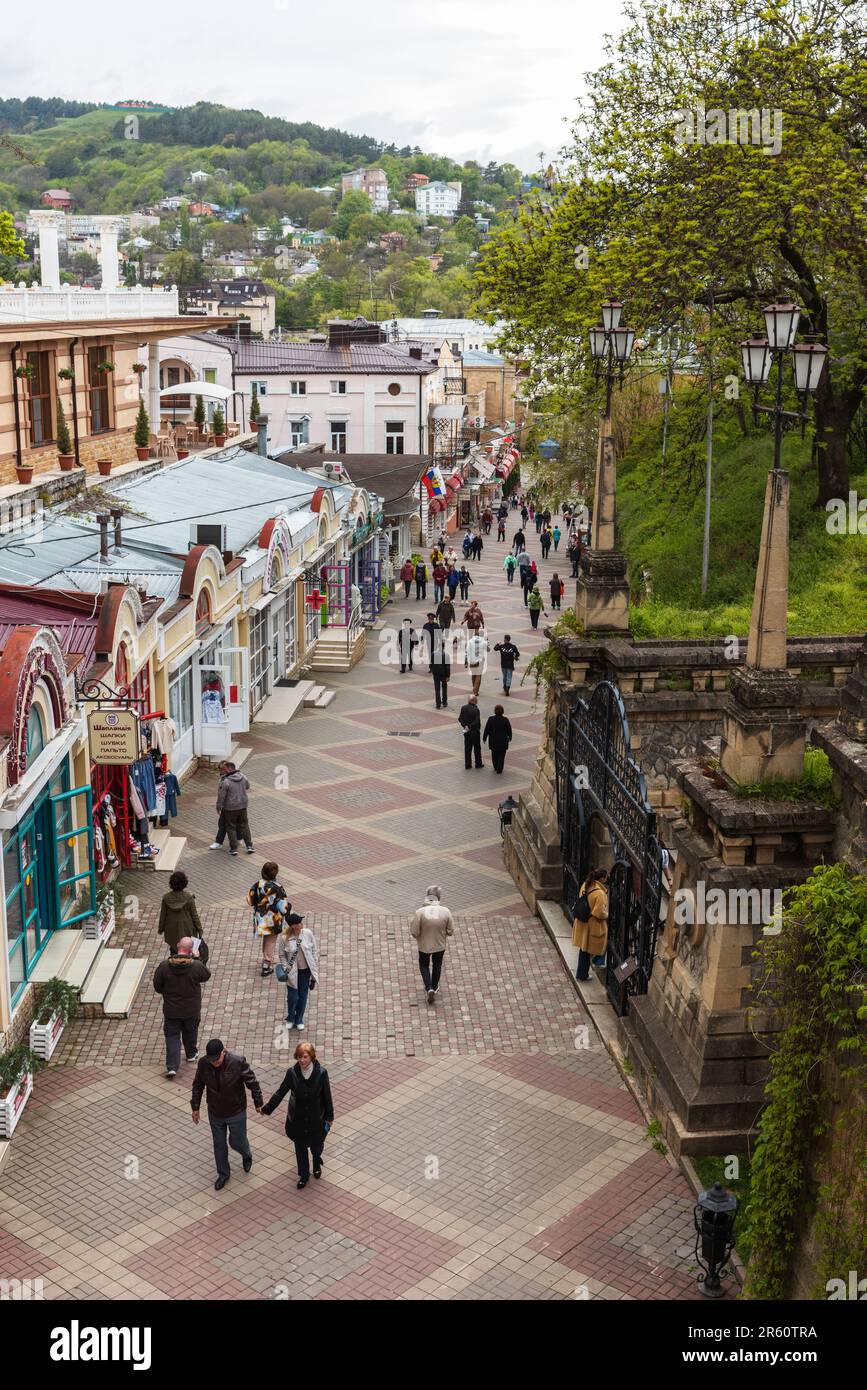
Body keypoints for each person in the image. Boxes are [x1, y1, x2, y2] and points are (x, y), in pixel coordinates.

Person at [191, 1039, 263, 1191]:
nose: (215, 1063)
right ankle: (223, 1174)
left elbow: (252, 1082)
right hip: (215, 1111)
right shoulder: (204, 1064)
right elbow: (198, 1085)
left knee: (237, 1141)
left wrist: (258, 1102)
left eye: (217, 1060)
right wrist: (195, 1107)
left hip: (236, 1110)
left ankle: (246, 1154)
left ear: (223, 1052)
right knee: (219, 1144)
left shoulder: (237, 1062)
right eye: (212, 1060)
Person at [261, 1040, 334, 1189]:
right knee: (300, 1149)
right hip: (298, 1120)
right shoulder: (292, 1073)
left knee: (316, 1146)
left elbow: (327, 1096)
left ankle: (316, 1162)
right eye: (299, 1057)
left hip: (316, 1119)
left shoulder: (321, 1073)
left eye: (305, 1057)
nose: (302, 1060)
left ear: (311, 1057)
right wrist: (267, 1109)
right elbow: (280, 1092)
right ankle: (304, 1175)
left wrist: (330, 1117)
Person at [153, 936, 211, 1078]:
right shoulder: (196, 966)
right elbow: (206, 975)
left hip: (171, 1010)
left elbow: (157, 986)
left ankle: (172, 1066)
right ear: (191, 950)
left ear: (178, 945)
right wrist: (198, 959)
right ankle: (191, 1053)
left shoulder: (164, 966)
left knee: (172, 1036)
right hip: (191, 1009)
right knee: (190, 1031)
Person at [409, 884, 454, 1004]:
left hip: (424, 945)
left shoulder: (420, 912)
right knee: (437, 964)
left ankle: (428, 987)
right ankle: (435, 986)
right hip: (439, 945)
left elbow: (414, 932)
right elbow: (450, 931)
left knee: (424, 964)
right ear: (439, 897)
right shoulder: (446, 911)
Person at [247, 860, 290, 977]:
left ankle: (266, 959)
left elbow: (250, 901)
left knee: (266, 939)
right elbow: (283, 906)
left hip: (260, 918)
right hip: (273, 920)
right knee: (271, 941)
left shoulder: (257, 885)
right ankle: (266, 964)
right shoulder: (277, 887)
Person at [278, 912, 319, 1030]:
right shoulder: (284, 938)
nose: (302, 924)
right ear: (293, 926)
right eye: (299, 923)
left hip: (305, 971)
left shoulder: (308, 933)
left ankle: (299, 1018)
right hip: (292, 973)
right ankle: (291, 1017)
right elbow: (281, 955)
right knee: (292, 997)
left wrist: (313, 975)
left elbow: (314, 951)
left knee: (302, 997)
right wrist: (286, 968)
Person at [572, 869, 610, 981]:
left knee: (584, 950)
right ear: (602, 879)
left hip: (581, 923)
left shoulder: (586, 885)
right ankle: (592, 967)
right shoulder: (600, 893)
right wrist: (607, 915)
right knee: (599, 946)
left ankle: (582, 973)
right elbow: (598, 913)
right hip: (592, 925)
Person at [158, 870, 202, 954]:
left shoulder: (166, 898)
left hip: (171, 927)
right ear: (184, 883)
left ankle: (174, 958)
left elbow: (163, 914)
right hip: (187, 926)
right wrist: (199, 929)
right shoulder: (189, 897)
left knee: (174, 947)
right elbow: (194, 915)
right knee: (187, 946)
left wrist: (161, 928)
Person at [216, 762, 253, 856]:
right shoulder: (243, 777)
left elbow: (221, 796)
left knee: (231, 827)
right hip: (243, 806)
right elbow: (248, 786)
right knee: (244, 826)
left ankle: (233, 849)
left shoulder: (226, 781)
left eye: (223, 769)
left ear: (229, 769)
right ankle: (249, 846)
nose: (222, 771)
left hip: (230, 808)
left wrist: (218, 806)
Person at [483, 704, 513, 774]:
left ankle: (495, 766)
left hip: (493, 741)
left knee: (494, 754)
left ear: (495, 711)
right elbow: (509, 729)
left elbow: (487, 729)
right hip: (503, 741)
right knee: (502, 755)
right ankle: (499, 769)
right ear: (502, 711)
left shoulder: (491, 719)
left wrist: (484, 737)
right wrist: (510, 737)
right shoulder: (505, 720)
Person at [209, 760, 231, 850]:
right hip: (226, 806)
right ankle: (219, 842)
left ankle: (238, 838)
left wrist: (219, 806)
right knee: (222, 824)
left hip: (232, 806)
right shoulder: (222, 778)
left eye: (221, 769)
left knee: (231, 824)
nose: (219, 771)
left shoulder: (231, 778)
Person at [458, 692, 483, 768]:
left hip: (466, 732)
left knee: (467, 748)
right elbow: (477, 721)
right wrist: (470, 726)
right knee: (477, 748)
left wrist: (465, 726)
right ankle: (478, 763)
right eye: (476, 700)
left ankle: (468, 764)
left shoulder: (463, 708)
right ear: (472, 700)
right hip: (475, 732)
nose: (477, 701)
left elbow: (460, 718)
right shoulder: (476, 710)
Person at [465, 629, 489, 696]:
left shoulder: (470, 641)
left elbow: (466, 651)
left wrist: (466, 661)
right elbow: (488, 649)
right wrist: (487, 641)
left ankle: (474, 687)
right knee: (478, 675)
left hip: (472, 661)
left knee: (473, 675)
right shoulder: (484, 642)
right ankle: (475, 690)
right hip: (480, 661)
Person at [431, 632, 451, 709]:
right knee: (444, 689)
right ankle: (445, 702)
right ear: (443, 647)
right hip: (444, 675)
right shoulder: (446, 655)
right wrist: (448, 676)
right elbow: (447, 667)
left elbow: (431, 664)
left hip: (436, 675)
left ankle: (438, 704)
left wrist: (433, 671)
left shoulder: (433, 653)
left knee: (437, 690)